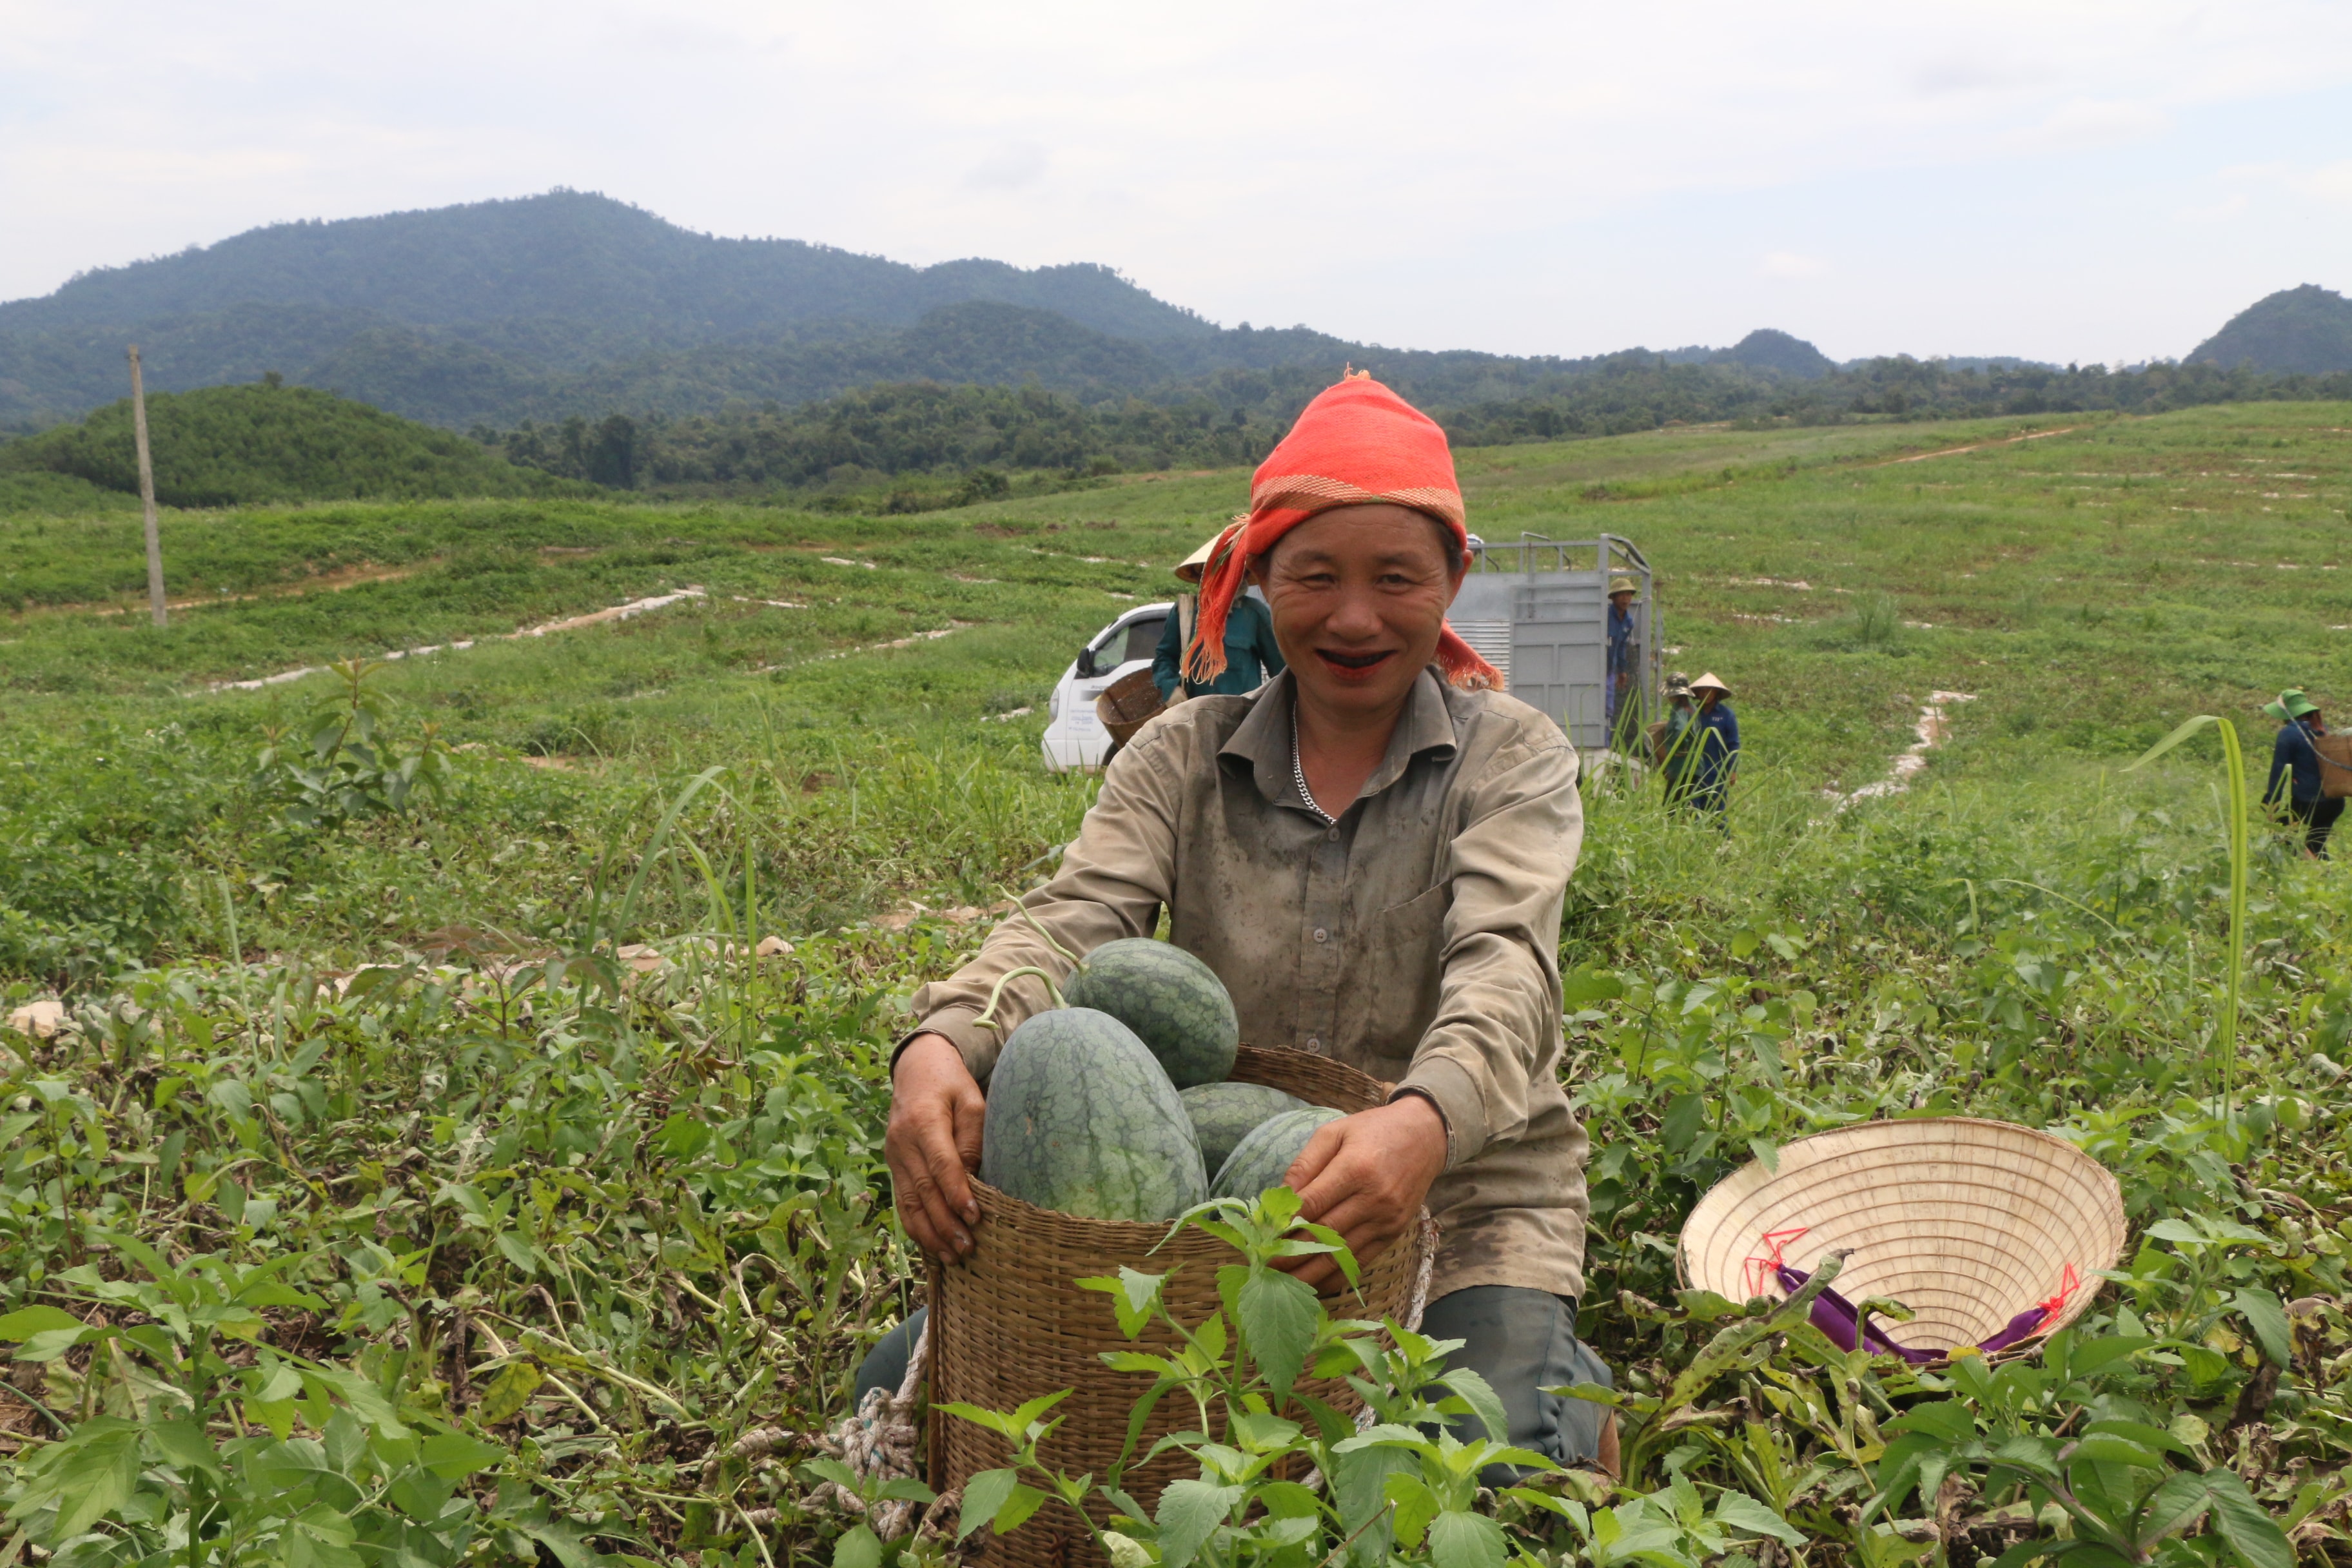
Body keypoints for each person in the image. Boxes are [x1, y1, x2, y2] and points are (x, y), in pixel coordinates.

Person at [874, 371, 1614, 1477]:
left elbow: (1504, 970)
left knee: (1473, 1475)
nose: (1354, 616)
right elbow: (1071, 918)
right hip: (1221, 1209)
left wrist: (1419, 1125)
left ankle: (1568, 1393)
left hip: (1460, 1195)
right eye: (1314, 575)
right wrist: (942, 1039)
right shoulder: (1178, 755)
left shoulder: (1509, 758)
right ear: (1260, 575)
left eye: (1395, 577)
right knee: (918, 1406)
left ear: (1451, 579)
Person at [1152, 534, 1286, 702]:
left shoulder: (1253, 612)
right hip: (1195, 718)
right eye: (1215, 570)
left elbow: (1281, 670)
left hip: (1244, 718)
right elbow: (1164, 659)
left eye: (1231, 571)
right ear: (1203, 574)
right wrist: (1171, 689)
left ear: (1241, 575)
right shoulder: (1185, 611)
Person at [2264, 688, 2343, 858]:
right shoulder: (2322, 728)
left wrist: (2272, 801)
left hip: (2308, 802)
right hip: (2335, 802)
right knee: (2315, 845)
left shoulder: (2288, 734)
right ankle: (2324, 874)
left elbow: (2279, 770)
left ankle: (2314, 869)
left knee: (2281, 832)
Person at [1677, 672, 1738, 821]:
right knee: (1694, 810)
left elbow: (1734, 745)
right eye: (1702, 691)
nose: (1706, 694)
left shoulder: (1726, 715)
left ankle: (1724, 841)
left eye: (1709, 691)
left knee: (1716, 812)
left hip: (1717, 772)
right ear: (1697, 694)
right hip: (1695, 771)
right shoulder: (1692, 714)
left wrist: (1732, 771)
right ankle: (1698, 841)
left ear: (1716, 692)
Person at [1605, 575, 1640, 746]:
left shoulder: (1628, 622)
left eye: (1629, 594)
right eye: (1622, 595)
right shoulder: (1604, 617)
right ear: (1613, 597)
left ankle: (1605, 743)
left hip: (1610, 670)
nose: (1626, 598)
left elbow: (1621, 648)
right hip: (1596, 669)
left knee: (1608, 709)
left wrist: (1622, 671)